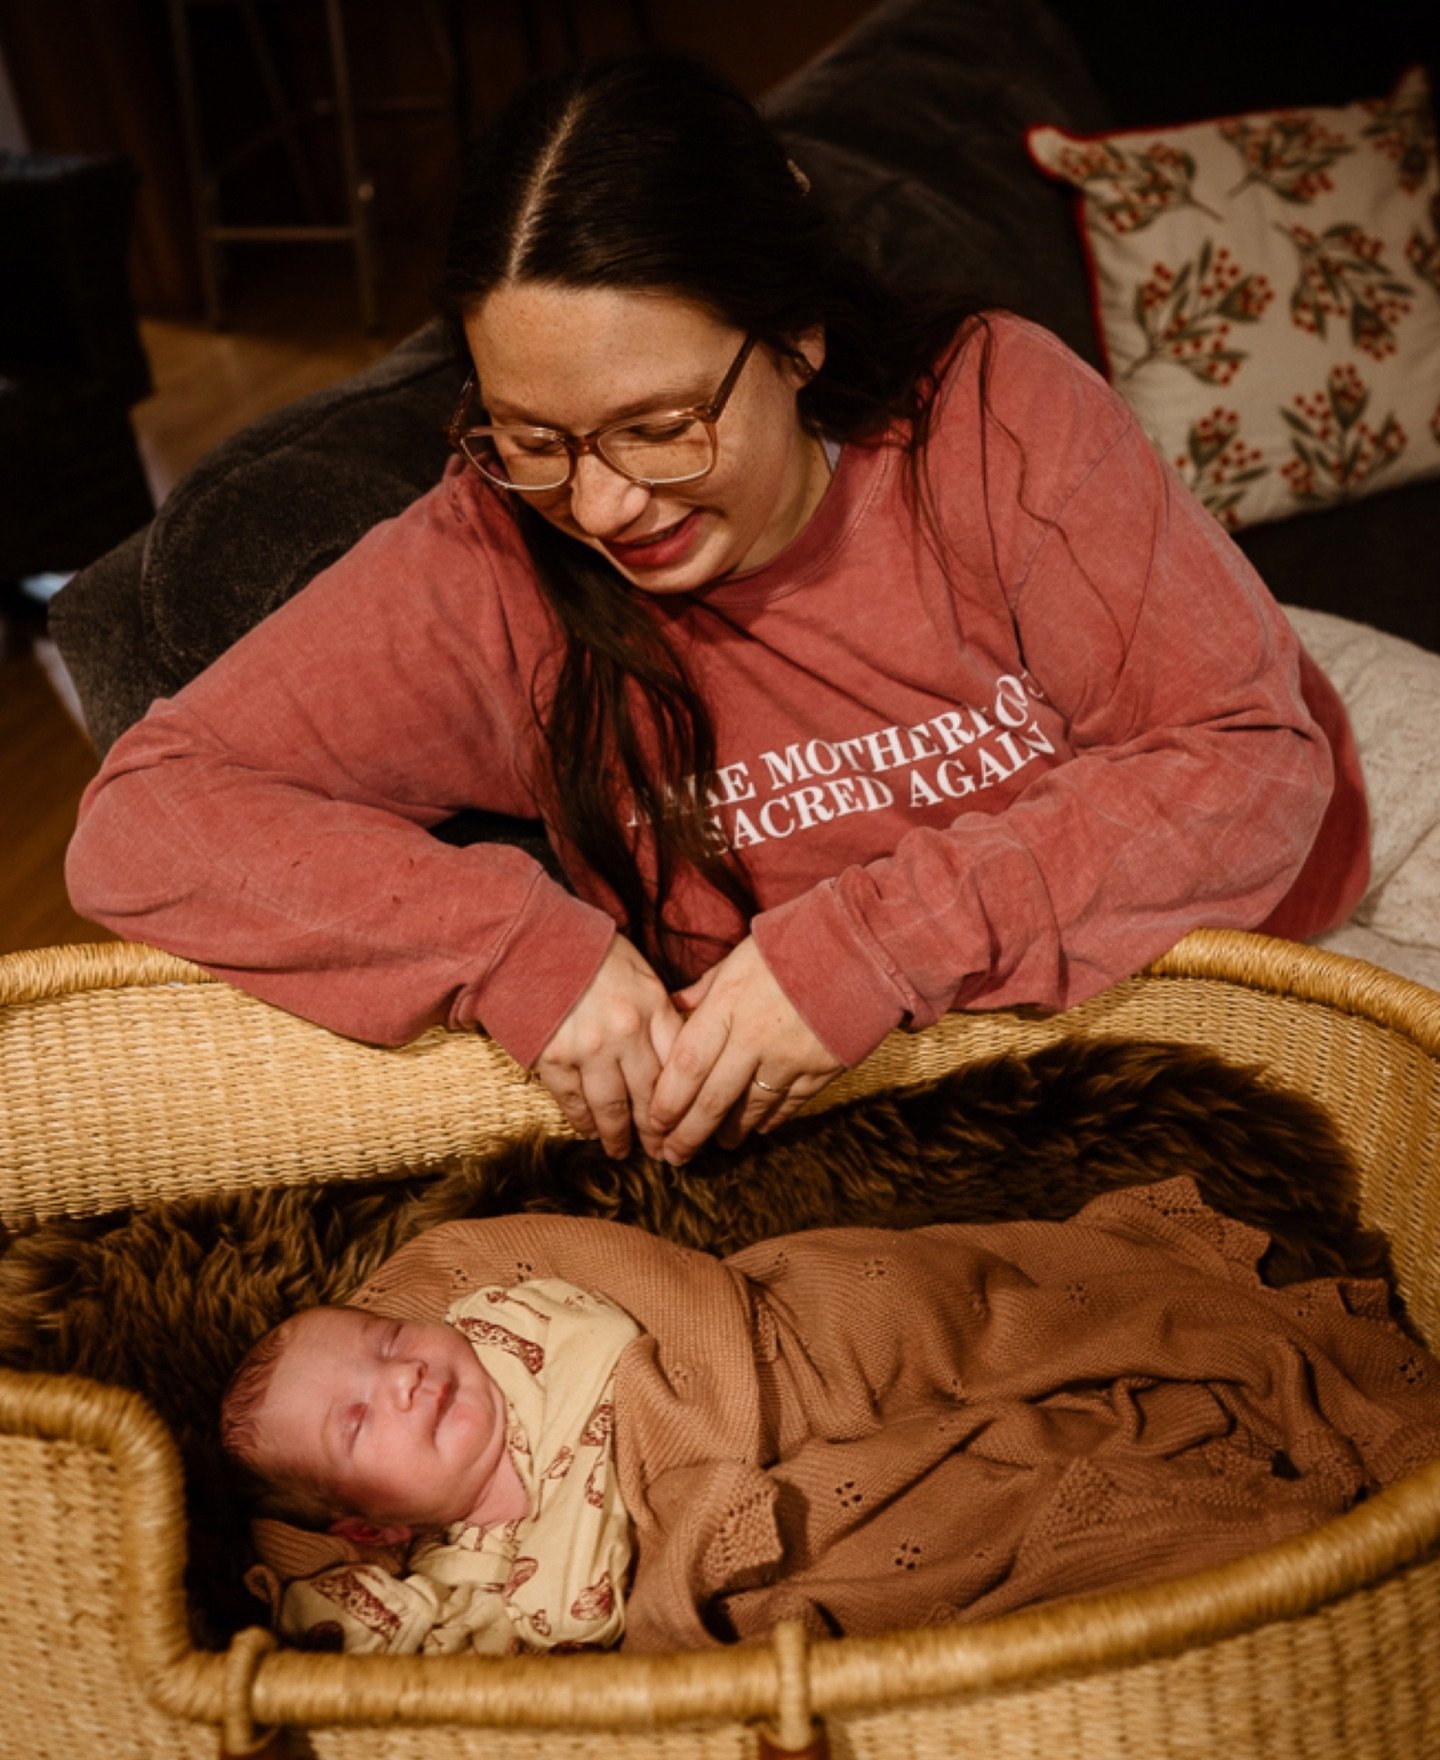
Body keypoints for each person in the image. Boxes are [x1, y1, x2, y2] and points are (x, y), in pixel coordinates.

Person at [65, 51, 1369, 1167]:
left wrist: (872, 947)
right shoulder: (488, 551)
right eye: (533, 435)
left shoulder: (989, 414)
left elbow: (1246, 769)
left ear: (794, 339)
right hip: (1003, 1089)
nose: (606, 504)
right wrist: (518, 948)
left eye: (660, 427)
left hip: (1295, 884)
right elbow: (146, 820)